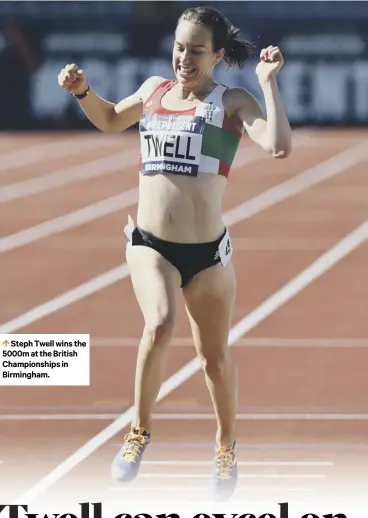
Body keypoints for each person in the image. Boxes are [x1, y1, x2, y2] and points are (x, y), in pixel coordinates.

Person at [58, 5, 291, 501]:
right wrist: (83, 93)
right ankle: (138, 432)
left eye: (197, 50)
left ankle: (226, 444)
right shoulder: (154, 92)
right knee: (160, 323)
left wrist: (268, 83)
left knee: (214, 359)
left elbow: (277, 145)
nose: (184, 57)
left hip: (207, 256)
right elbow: (109, 120)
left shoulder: (231, 102)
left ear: (218, 55)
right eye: (180, 46)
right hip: (150, 246)